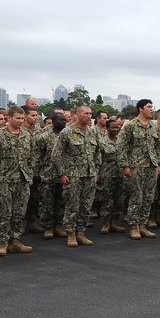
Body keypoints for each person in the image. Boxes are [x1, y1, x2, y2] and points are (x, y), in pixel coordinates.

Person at [0, 106, 34, 257]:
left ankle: (15, 240)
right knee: (4, 212)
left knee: (19, 212)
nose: (20, 121)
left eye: (22, 118)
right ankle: (3, 242)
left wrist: (30, 174)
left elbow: (31, 157)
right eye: (17, 118)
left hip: (22, 179)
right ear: (9, 118)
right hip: (3, 179)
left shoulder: (26, 135)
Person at [53, 104, 100, 247]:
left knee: (86, 206)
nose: (88, 116)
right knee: (72, 206)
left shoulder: (93, 132)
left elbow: (97, 153)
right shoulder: (67, 132)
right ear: (77, 115)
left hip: (89, 175)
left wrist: (96, 171)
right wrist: (62, 173)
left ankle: (81, 232)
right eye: (85, 113)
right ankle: (71, 234)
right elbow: (56, 155)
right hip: (73, 176)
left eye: (90, 113)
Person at [118, 99, 160, 240]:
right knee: (136, 197)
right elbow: (122, 146)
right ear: (140, 109)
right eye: (149, 107)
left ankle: (143, 225)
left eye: (152, 106)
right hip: (135, 166)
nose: (152, 109)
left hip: (151, 166)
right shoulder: (130, 126)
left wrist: (158, 163)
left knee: (148, 197)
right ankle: (134, 226)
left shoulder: (153, 127)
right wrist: (125, 165)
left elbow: (158, 146)